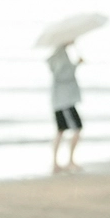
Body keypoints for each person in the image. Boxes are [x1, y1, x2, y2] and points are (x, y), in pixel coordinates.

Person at [47, 41, 85, 172]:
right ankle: (69, 161)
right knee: (76, 128)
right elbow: (62, 75)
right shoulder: (60, 56)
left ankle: (57, 163)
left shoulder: (59, 55)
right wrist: (77, 65)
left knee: (61, 130)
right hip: (64, 101)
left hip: (60, 100)